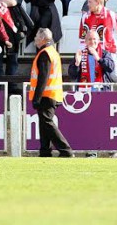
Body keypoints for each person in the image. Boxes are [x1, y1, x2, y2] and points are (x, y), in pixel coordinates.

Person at [29, 28, 73, 158]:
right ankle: (45, 151)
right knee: (44, 123)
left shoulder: (45, 53)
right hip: (52, 93)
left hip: (47, 95)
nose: (35, 39)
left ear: (43, 38)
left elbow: (43, 77)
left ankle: (65, 150)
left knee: (47, 122)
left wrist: (37, 97)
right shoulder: (52, 52)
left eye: (37, 36)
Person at [79, 0, 117, 88]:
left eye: (90, 2)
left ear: (98, 2)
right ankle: (105, 98)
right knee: (95, 76)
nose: (88, 5)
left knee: (114, 75)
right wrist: (81, 52)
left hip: (110, 51)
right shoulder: (85, 17)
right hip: (93, 53)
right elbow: (82, 38)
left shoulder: (111, 15)